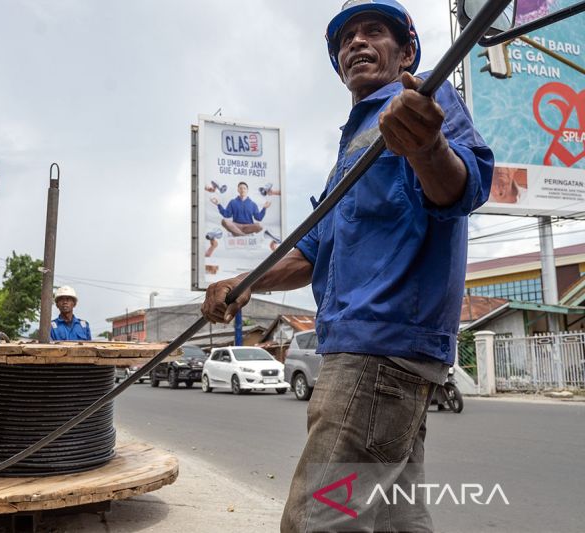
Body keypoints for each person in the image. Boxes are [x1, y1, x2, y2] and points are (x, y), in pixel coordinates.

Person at [201, 1, 493, 531]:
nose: (356, 43)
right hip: (379, 363)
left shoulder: (423, 97)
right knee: (394, 519)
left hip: (375, 357)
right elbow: (309, 251)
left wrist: (427, 145)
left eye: (373, 31)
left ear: (405, 51)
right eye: (345, 39)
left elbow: (460, 189)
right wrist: (242, 285)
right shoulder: (350, 147)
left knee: (318, 519)